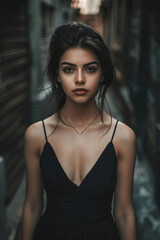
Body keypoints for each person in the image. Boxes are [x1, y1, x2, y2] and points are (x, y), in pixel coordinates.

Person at [21, 22, 136, 240]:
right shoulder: (36, 135)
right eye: (69, 69)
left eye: (90, 69)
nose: (80, 79)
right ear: (57, 74)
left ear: (102, 74)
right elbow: (32, 205)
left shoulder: (122, 137)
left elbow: (124, 213)